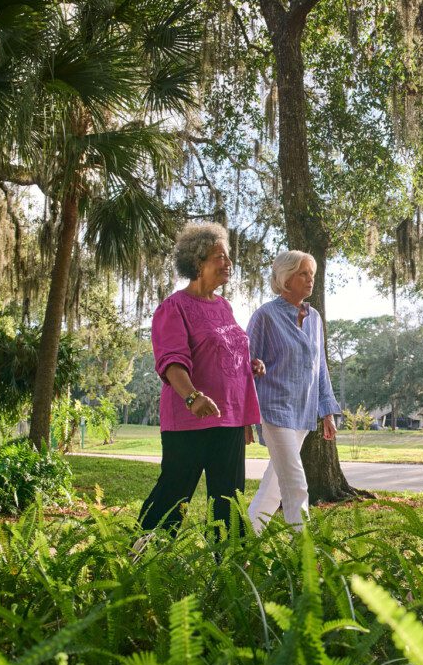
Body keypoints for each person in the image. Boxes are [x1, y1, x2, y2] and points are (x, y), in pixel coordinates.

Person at [137, 222, 264, 538]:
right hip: (190, 420)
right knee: (173, 495)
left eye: (227, 256)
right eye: (219, 256)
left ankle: (229, 570)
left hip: (229, 421)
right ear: (197, 263)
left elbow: (223, 353)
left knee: (228, 500)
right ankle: (140, 559)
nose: (228, 263)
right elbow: (170, 361)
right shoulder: (174, 307)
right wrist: (192, 396)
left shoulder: (224, 307)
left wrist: (249, 365)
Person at [246, 250, 341, 533]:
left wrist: (327, 411)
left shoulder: (314, 318)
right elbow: (244, 365)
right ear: (286, 279)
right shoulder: (265, 316)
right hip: (274, 409)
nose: (310, 279)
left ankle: (244, 541)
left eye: (311, 273)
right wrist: (245, 418)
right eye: (303, 273)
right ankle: (305, 556)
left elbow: (320, 366)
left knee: (275, 485)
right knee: (296, 482)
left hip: (303, 411)